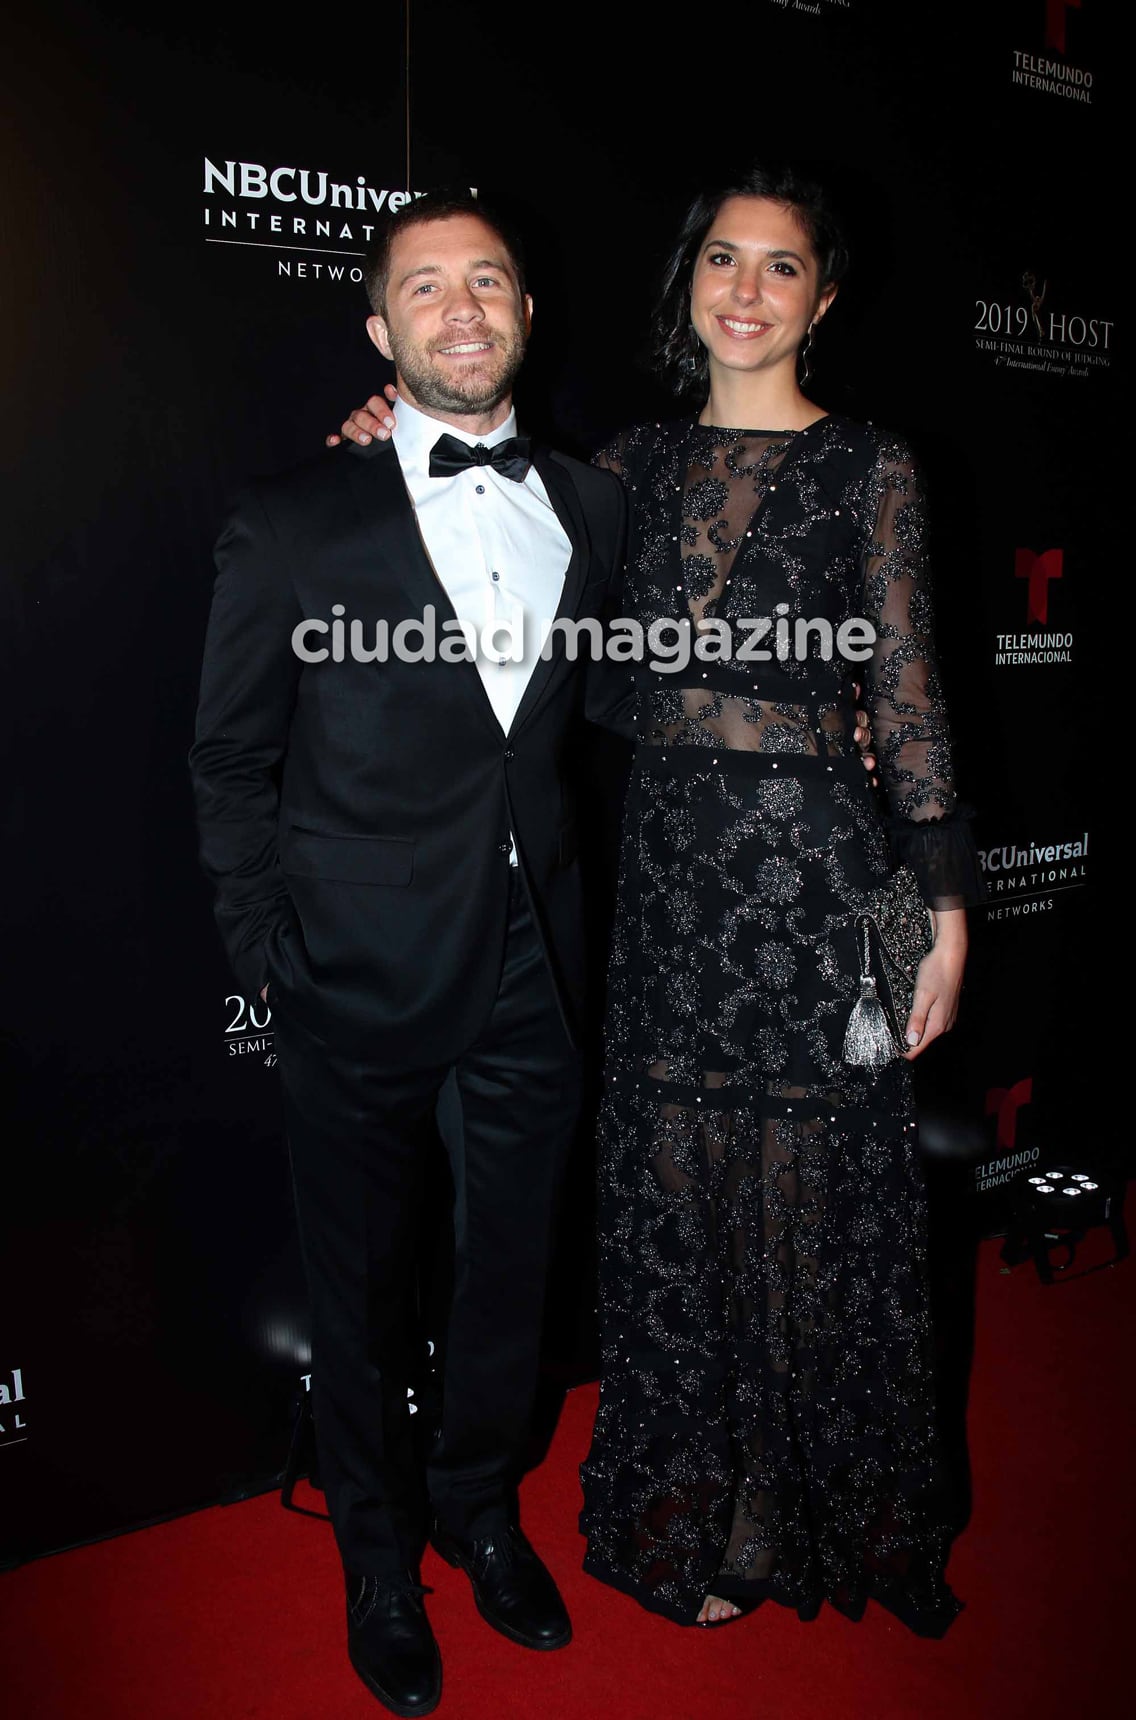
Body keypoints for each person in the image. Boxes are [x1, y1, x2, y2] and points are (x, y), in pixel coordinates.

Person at [335, 165, 984, 1639]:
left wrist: (941, 910)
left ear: (823, 297)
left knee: (833, 1201)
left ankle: (833, 1510)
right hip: (672, 892)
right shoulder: (614, 472)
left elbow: (910, 695)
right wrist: (387, 429)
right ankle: (705, 1510)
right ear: (690, 287)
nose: (747, 291)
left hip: (838, 885)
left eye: (781, 267)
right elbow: (483, 525)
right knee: (680, 1204)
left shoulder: (875, 467)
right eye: (722, 263)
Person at [191, 189, 632, 1718]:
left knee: (510, 1278)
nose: (462, 310)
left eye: (489, 283)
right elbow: (229, 763)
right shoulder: (291, 519)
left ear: (525, 314)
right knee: (364, 1286)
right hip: (353, 978)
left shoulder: (591, 506)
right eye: (424, 290)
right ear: (379, 329)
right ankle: (377, 1561)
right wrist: (272, 956)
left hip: (536, 970)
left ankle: (479, 1511)